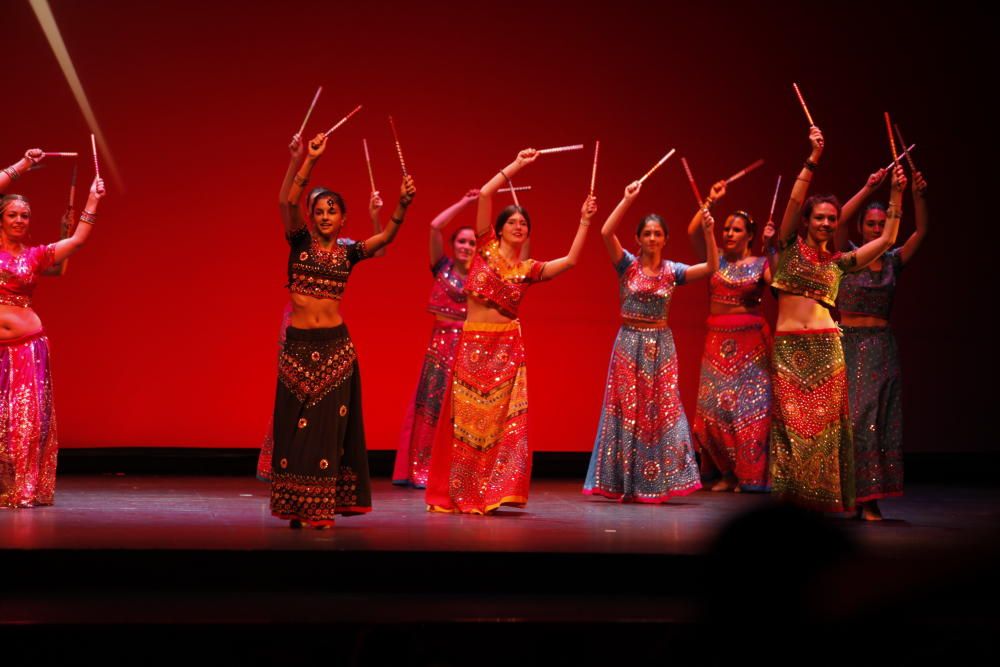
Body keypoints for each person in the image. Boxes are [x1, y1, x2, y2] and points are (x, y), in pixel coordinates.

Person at [425, 148, 595, 514]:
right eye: (513, 222)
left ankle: (492, 492)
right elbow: (486, 194)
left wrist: (584, 221)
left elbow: (571, 261)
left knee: (500, 427)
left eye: (525, 224)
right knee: (469, 423)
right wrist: (517, 165)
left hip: (506, 349)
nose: (519, 226)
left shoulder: (528, 269)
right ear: (499, 228)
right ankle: (464, 491)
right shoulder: (484, 248)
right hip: (474, 344)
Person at [270, 131, 415, 528]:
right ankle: (297, 505)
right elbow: (286, 201)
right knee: (295, 432)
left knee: (325, 434)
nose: (324, 216)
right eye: (318, 211)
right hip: (298, 348)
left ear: (343, 218)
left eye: (331, 211)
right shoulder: (299, 243)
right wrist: (309, 160)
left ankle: (320, 508)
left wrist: (401, 206)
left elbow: (385, 238)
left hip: (336, 349)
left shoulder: (349, 253)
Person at [768, 126, 905, 513]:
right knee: (790, 434)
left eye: (832, 219)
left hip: (829, 351)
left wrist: (896, 192)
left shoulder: (839, 263)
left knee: (825, 438)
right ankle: (790, 509)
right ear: (807, 221)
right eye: (820, 218)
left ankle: (821, 512)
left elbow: (888, 240)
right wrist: (812, 158)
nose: (827, 224)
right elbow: (795, 201)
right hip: (789, 351)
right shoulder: (790, 248)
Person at [583, 179, 717, 502]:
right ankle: (622, 482)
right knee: (627, 409)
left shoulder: (674, 271)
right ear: (638, 238)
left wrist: (710, 233)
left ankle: (656, 482)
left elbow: (713, 267)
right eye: (647, 233)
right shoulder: (626, 265)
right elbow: (604, 232)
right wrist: (627, 199)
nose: (652, 238)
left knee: (661, 410)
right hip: (628, 344)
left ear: (666, 239)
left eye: (658, 233)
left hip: (661, 346)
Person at [0, 148, 106, 508]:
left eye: (25, 215)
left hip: (28, 348)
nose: (20, 220)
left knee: (26, 424)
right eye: (12, 214)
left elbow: (76, 242)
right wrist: (25, 165)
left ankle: (23, 489)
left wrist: (92, 201)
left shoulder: (34, 256)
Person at [833, 167, 928, 519]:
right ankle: (850, 497)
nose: (875, 229)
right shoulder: (847, 258)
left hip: (880, 348)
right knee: (852, 421)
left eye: (881, 224)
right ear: (862, 229)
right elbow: (840, 217)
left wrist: (911, 194)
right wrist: (870, 185)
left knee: (875, 422)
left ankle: (869, 499)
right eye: (870, 224)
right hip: (848, 346)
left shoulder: (893, 261)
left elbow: (923, 231)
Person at [687, 181, 773, 492]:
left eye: (736, 230)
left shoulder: (762, 263)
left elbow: (776, 285)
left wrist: (772, 247)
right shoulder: (715, 258)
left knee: (748, 411)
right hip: (716, 341)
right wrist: (709, 201)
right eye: (726, 228)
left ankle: (747, 474)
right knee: (711, 412)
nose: (728, 233)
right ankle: (725, 473)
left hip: (751, 345)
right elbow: (694, 231)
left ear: (750, 235)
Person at [393, 190, 479, 488]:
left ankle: (456, 470)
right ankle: (422, 468)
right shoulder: (441, 267)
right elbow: (434, 226)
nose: (466, 246)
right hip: (440, 347)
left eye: (472, 242)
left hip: (468, 348)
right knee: (431, 407)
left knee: (462, 411)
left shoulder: (482, 275)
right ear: (453, 245)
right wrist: (465, 202)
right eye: (462, 241)